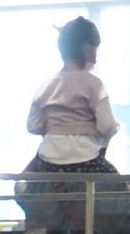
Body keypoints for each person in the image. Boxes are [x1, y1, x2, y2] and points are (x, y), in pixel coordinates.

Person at [25, 17, 118, 173]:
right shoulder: (94, 84)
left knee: (32, 181)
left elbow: (32, 126)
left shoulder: (45, 86)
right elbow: (108, 126)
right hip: (86, 160)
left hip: (48, 163)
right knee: (118, 184)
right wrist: (96, 131)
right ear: (89, 51)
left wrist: (54, 129)